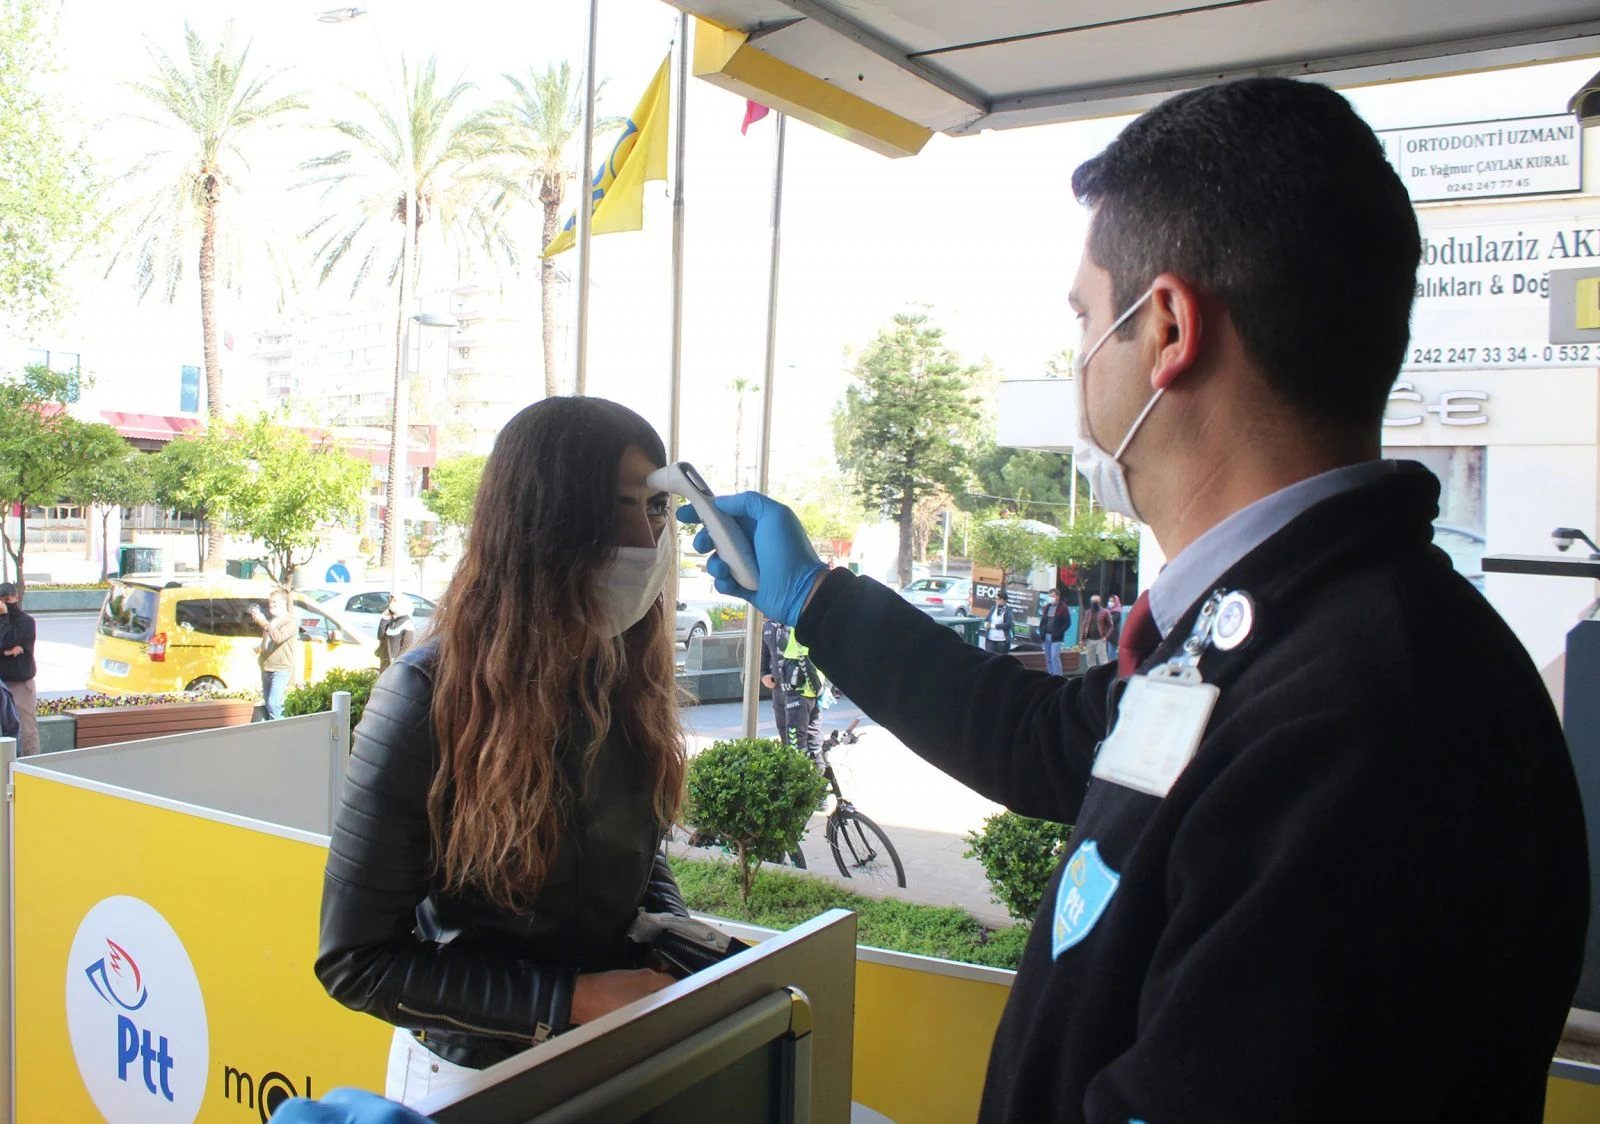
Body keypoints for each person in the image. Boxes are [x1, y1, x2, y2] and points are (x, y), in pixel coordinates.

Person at [681, 78, 1589, 1123]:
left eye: (1082, 317)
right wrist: (814, 597)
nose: (1075, 363)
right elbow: (1043, 741)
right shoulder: (1269, 635)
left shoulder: (1362, 717)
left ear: (1165, 327)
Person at [316, 397, 689, 1107]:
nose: (645, 536)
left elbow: (630, 857)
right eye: (616, 506)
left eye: (657, 509)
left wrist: (675, 937)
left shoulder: (624, 676)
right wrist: (568, 999)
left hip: (613, 1052)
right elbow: (357, 963)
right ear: (542, 524)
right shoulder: (423, 697)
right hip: (473, 1078)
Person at [249, 589, 299, 720]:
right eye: (270, 603)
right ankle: (271, 731)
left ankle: (280, 732)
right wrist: (259, 648)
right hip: (266, 667)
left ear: (283, 603)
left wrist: (264, 622)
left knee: (273, 703)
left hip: (280, 669)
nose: (271, 606)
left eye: (275, 603)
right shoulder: (273, 621)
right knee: (268, 704)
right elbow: (269, 641)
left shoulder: (290, 622)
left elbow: (278, 638)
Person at [0, 583, 38, 756]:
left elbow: (7, 639)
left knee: (26, 730)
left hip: (20, 684)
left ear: (15, 598)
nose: (3, 604)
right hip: (2, 683)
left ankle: (31, 769)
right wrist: (4, 651)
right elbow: (5, 644)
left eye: (7, 600)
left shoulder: (26, 622)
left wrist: (4, 617)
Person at [777, 627, 825, 754]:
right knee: (814, 745)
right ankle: (818, 771)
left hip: (800, 690)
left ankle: (804, 772)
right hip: (812, 692)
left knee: (796, 747)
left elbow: (804, 657)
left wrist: (817, 688)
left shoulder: (801, 621)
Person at [759, 616, 791, 745]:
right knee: (782, 725)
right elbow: (764, 653)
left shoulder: (793, 622)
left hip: (797, 685)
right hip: (777, 684)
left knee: (798, 730)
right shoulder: (768, 626)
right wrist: (764, 674)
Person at [375, 594, 417, 672]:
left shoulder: (407, 625)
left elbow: (406, 648)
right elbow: (380, 636)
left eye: (395, 601)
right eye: (391, 601)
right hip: (385, 662)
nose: (391, 604)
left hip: (395, 667)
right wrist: (384, 619)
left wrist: (396, 664)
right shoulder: (391, 621)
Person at [1037, 589, 1070, 675]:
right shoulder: (1046, 607)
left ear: (1058, 597)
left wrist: (1059, 633)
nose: (1051, 598)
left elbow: (1067, 623)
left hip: (1056, 637)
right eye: (1049, 596)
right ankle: (1050, 675)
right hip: (1046, 636)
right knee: (1048, 658)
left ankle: (1058, 676)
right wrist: (1042, 633)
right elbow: (1043, 622)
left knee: (1055, 657)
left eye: (1053, 596)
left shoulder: (1063, 608)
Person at [1079, 594, 1112, 668]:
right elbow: (1084, 626)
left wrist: (1106, 637)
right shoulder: (1087, 612)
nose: (1094, 603)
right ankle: (1092, 675)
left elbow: (1111, 625)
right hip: (1089, 639)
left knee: (1103, 661)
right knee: (1090, 661)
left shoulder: (1105, 612)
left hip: (1101, 639)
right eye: (1093, 601)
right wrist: (1081, 639)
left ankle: (1105, 676)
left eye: (1096, 601)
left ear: (1100, 602)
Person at [982, 589, 1014, 653]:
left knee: (1001, 659)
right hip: (990, 639)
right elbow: (986, 620)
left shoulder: (1008, 611)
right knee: (989, 657)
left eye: (999, 599)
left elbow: (1008, 625)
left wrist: (993, 626)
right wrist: (986, 624)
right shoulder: (993, 608)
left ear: (1004, 600)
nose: (996, 601)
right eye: (996, 599)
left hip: (1002, 640)